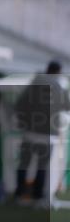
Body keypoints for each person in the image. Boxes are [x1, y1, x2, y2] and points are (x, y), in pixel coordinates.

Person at [14, 60, 70, 204]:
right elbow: (67, 106)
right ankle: (38, 196)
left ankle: (19, 195)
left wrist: (24, 122)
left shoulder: (33, 84)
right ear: (58, 71)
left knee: (24, 163)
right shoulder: (58, 87)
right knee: (42, 166)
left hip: (29, 132)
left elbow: (19, 105)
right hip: (48, 134)